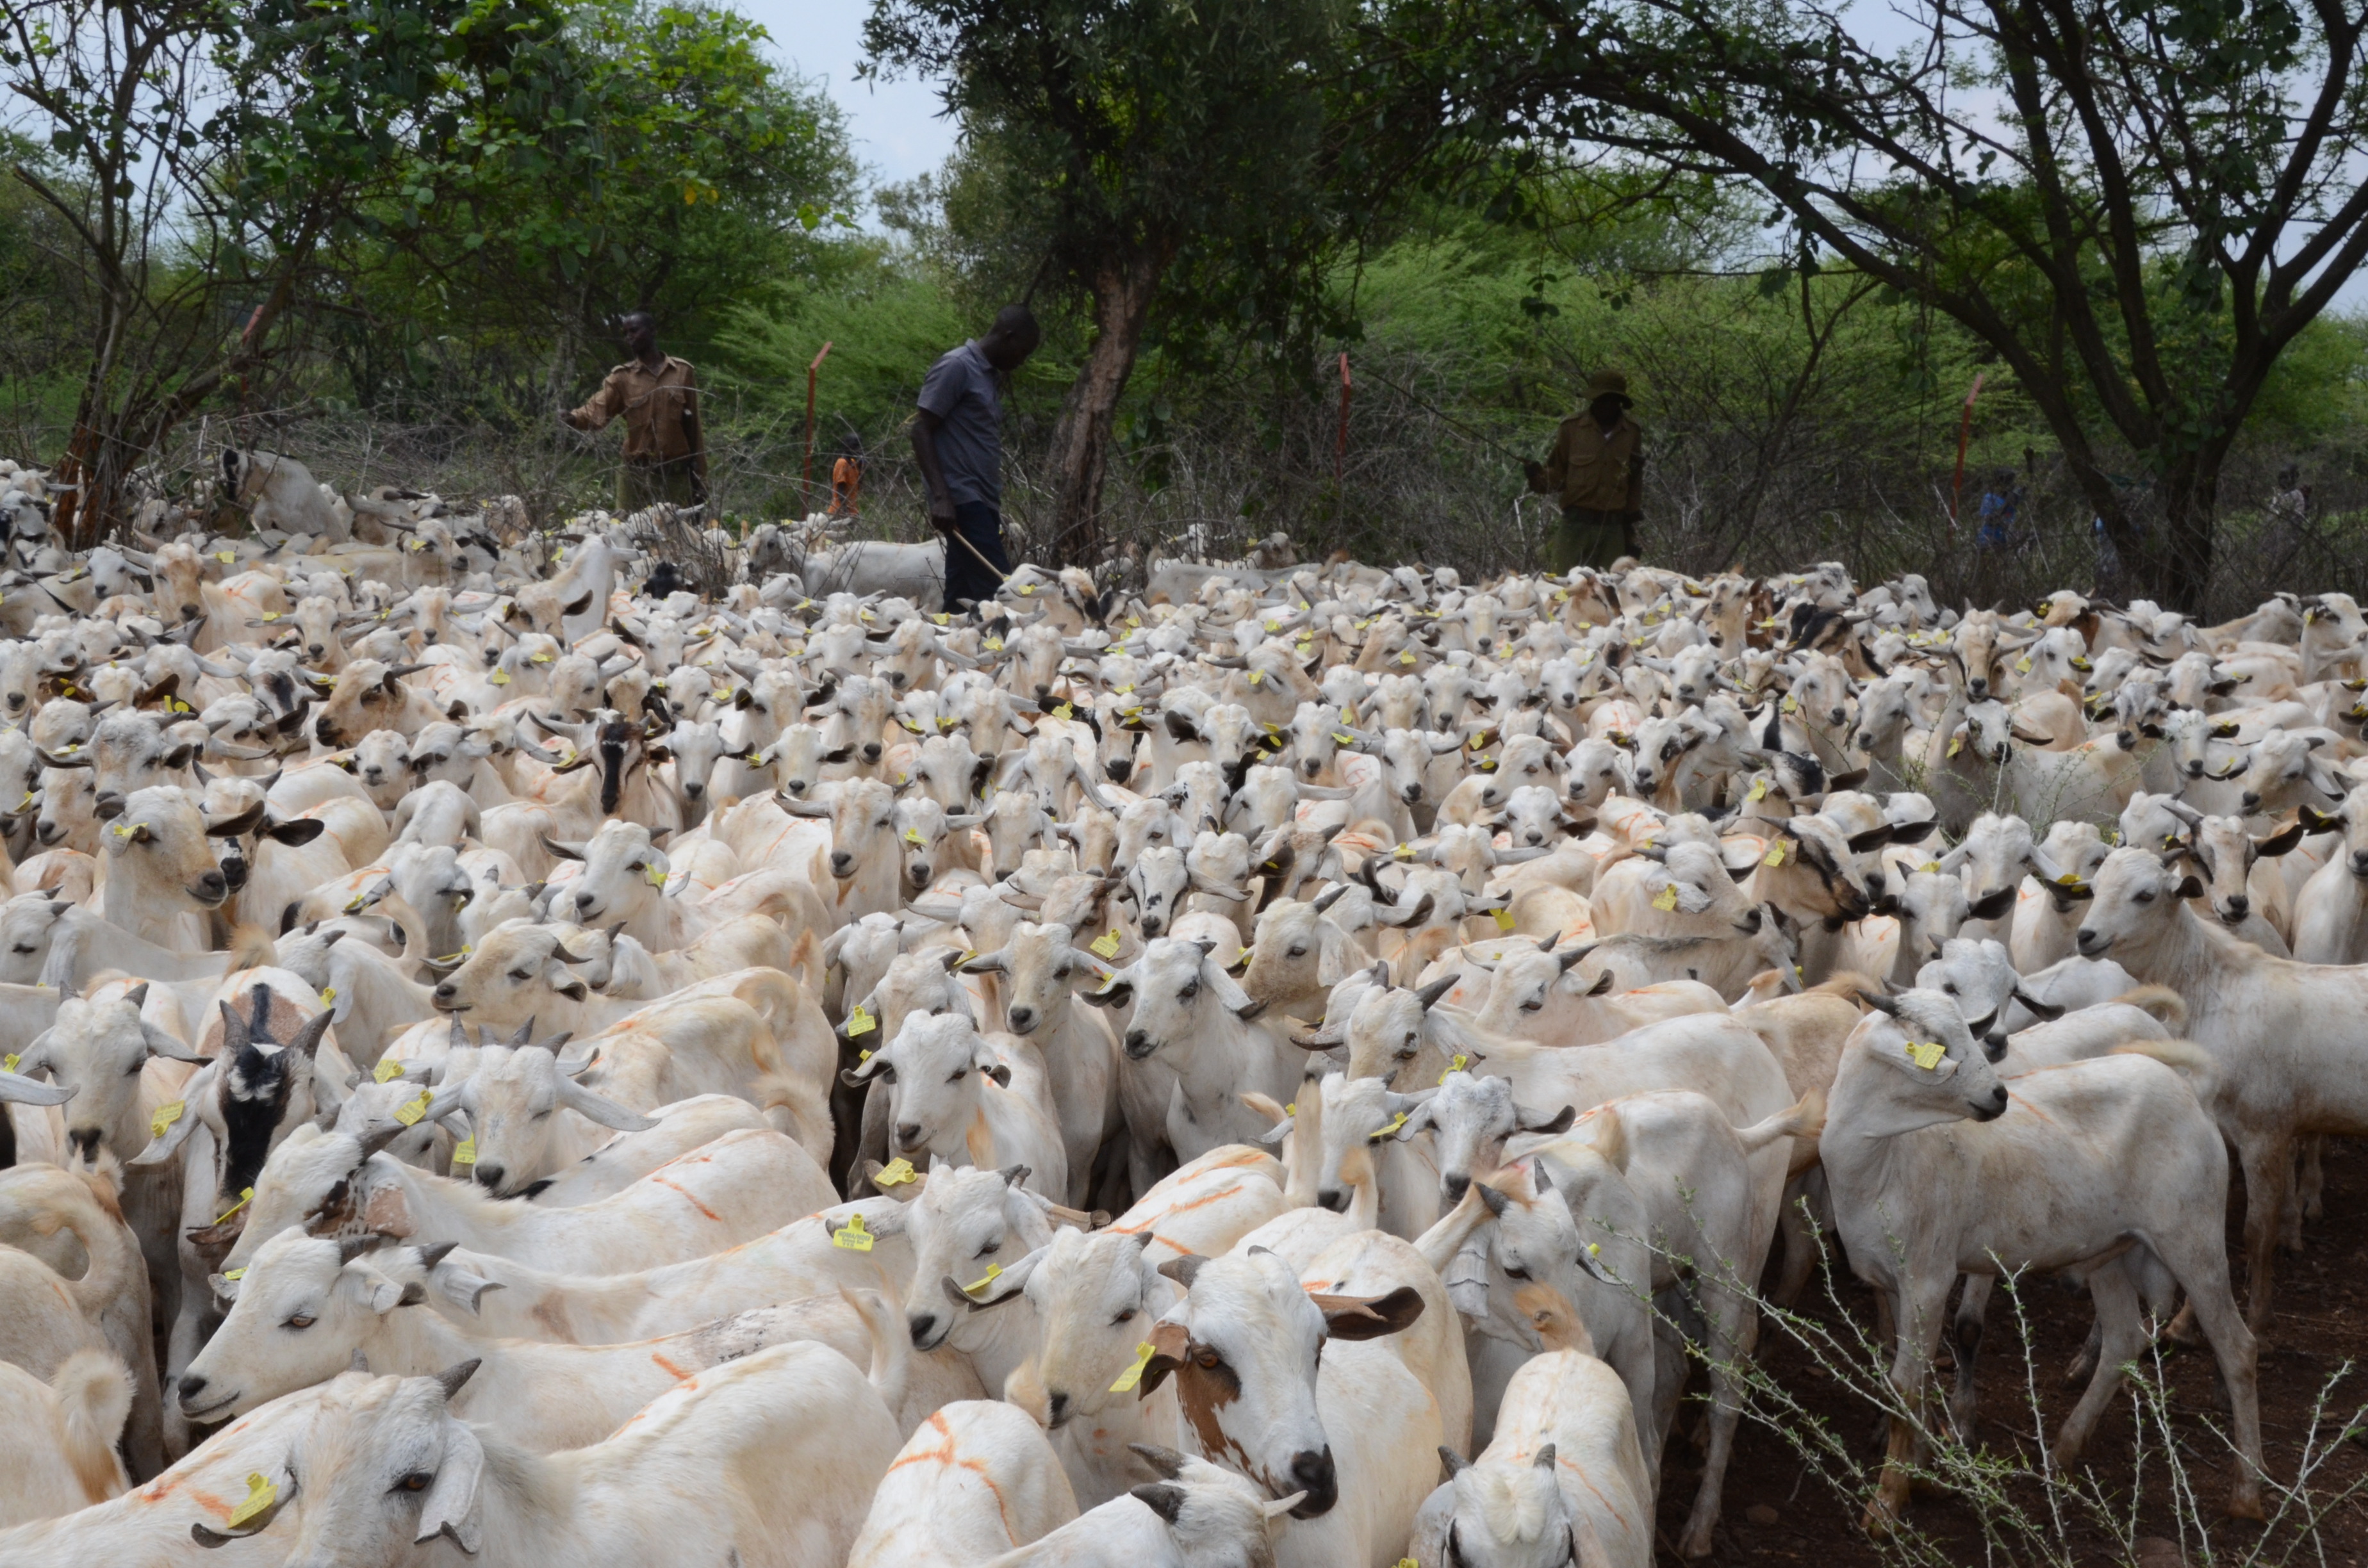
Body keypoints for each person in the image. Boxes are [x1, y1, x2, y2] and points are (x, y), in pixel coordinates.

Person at [913, 305, 1040, 611]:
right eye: (1021, 352)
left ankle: (950, 651)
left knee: (961, 598)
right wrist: (942, 497)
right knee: (1002, 595)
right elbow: (921, 430)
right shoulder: (957, 366)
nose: (1021, 362)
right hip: (962, 498)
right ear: (1008, 337)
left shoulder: (988, 377)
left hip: (983, 500)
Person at [561, 311, 707, 516]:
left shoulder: (682, 372)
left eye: (634, 330)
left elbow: (694, 428)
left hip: (675, 475)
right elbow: (597, 409)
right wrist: (574, 417)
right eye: (626, 332)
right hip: (635, 475)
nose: (629, 336)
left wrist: (700, 477)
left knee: (675, 537)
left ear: (652, 331)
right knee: (625, 533)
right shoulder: (622, 377)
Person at [1526, 369, 1645, 571]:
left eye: (1611, 399)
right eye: (1600, 399)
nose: (1604, 405)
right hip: (1575, 525)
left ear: (1620, 402)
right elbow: (1557, 475)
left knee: (1612, 587)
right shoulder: (1571, 428)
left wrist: (1630, 524)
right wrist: (1536, 476)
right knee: (1561, 584)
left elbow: (1635, 479)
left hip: (1613, 528)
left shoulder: (1631, 432)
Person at [829, 443, 863, 518]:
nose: (859, 449)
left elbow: (858, 483)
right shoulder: (842, 463)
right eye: (857, 447)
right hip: (840, 510)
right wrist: (845, 511)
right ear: (848, 447)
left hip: (852, 510)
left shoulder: (853, 463)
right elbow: (840, 489)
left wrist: (861, 465)